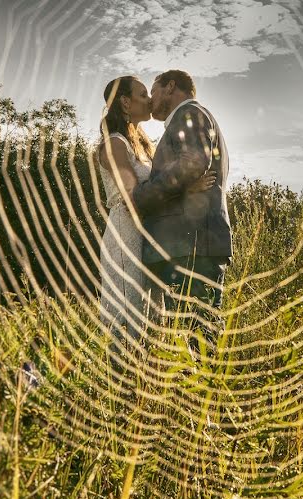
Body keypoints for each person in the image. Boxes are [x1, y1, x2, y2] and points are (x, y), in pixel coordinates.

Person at [96, 75, 214, 343]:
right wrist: (186, 189)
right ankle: (120, 378)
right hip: (126, 235)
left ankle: (146, 379)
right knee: (128, 312)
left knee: (153, 317)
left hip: (149, 234)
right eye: (142, 94)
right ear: (125, 103)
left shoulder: (144, 144)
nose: (150, 100)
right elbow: (131, 198)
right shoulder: (115, 143)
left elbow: (156, 188)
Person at [122, 69, 232, 350]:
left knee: (197, 341)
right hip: (188, 247)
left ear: (170, 87)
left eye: (154, 90)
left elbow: (193, 163)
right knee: (188, 341)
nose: (150, 99)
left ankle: (203, 392)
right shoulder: (187, 120)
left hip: (191, 246)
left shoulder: (190, 115)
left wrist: (142, 196)